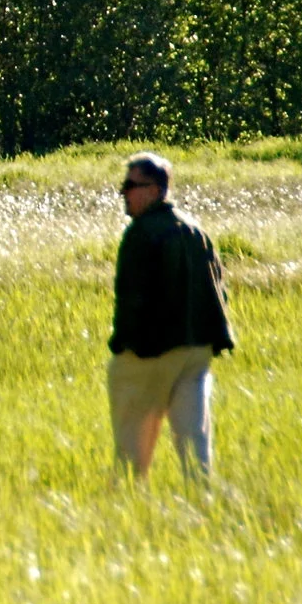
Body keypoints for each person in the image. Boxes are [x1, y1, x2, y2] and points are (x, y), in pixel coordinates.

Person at [107, 151, 233, 479]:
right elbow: (219, 291)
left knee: (131, 450)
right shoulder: (196, 230)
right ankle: (204, 504)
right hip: (197, 354)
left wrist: (123, 346)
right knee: (195, 447)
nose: (124, 193)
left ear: (155, 189)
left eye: (131, 185)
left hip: (150, 353)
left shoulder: (141, 233)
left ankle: (128, 506)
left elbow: (131, 298)